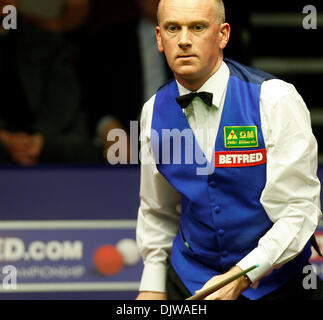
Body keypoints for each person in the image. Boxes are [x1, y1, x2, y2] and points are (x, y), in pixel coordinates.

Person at [136, 0, 323, 300]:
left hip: (279, 283)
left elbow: (298, 212)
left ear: (223, 34)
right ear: (159, 38)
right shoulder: (153, 112)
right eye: (173, 28)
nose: (184, 40)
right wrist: (152, 285)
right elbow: (158, 211)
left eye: (197, 27)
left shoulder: (274, 99)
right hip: (190, 280)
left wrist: (242, 274)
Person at [0, 0, 100, 165]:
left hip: (43, 141)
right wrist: (5, 139)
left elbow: (63, 100)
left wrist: (38, 138)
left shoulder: (47, 41)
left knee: (80, 148)